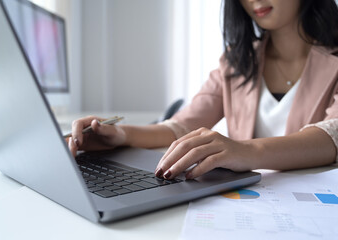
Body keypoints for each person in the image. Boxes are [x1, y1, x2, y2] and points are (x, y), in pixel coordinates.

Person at [69, 0, 338, 181]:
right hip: (249, 202)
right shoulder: (235, 63)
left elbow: (331, 137)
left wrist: (244, 151)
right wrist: (121, 134)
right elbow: (181, 126)